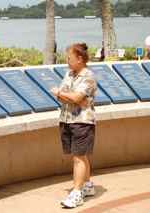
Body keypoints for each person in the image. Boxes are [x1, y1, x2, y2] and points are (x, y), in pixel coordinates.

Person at [51, 43, 97, 209]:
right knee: (80, 156)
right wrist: (67, 96)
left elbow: (76, 98)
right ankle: (88, 185)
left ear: (79, 59)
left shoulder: (88, 76)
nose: (67, 61)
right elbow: (66, 98)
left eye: (69, 58)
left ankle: (77, 193)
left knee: (78, 158)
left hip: (82, 121)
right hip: (67, 119)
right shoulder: (69, 74)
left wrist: (62, 94)